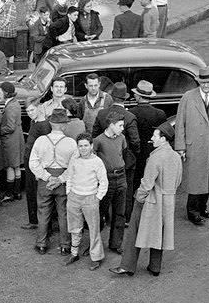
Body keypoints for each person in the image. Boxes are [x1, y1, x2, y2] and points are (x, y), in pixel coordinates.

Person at [110, 121, 183, 277]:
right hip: (168, 200)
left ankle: (127, 266)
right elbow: (178, 180)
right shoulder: (176, 156)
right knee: (160, 233)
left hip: (152, 199)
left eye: (155, 136)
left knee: (133, 232)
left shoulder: (155, 158)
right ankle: (155, 267)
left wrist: (139, 197)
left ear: (164, 139)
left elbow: (147, 183)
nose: (152, 138)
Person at [174, 67, 209, 225]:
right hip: (194, 146)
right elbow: (180, 124)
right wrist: (180, 147)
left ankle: (203, 207)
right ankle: (193, 211)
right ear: (199, 82)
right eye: (203, 82)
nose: (206, 85)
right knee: (195, 180)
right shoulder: (188, 97)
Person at [29, 108, 78, 255]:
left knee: (43, 211)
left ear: (51, 123)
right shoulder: (71, 143)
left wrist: (47, 177)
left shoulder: (41, 141)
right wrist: (60, 179)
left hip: (45, 180)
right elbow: (74, 165)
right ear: (64, 125)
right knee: (63, 212)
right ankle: (65, 246)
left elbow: (33, 163)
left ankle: (41, 244)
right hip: (63, 180)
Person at [63, 134, 108, 270]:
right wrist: (69, 192)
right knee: (74, 226)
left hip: (90, 198)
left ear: (91, 146)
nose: (83, 148)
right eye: (80, 146)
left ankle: (96, 257)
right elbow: (69, 176)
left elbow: (104, 181)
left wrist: (98, 197)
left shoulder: (97, 162)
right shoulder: (75, 160)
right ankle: (74, 253)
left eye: (85, 145)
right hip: (74, 197)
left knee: (94, 229)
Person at [93, 108, 129, 255]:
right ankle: (95, 244)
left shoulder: (122, 138)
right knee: (99, 212)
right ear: (111, 125)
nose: (122, 128)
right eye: (120, 125)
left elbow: (124, 155)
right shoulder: (98, 141)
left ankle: (116, 244)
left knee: (119, 213)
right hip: (105, 180)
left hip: (121, 178)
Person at [21, 99, 48, 231]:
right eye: (28, 111)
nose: (30, 113)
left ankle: (38, 222)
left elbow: (45, 149)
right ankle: (34, 220)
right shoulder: (34, 122)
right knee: (30, 192)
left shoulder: (43, 125)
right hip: (30, 162)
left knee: (36, 193)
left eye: (32, 110)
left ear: (39, 108)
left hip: (36, 165)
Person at [0, 82, 24, 202]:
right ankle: (17, 192)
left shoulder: (11, 107)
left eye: (0, 91)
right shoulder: (14, 103)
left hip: (10, 141)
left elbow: (10, 127)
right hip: (17, 139)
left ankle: (9, 193)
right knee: (16, 167)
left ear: (6, 93)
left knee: (10, 167)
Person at [0, 0, 18, 67]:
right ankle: (7, 68)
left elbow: (8, 19)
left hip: (7, 32)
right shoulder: (9, 3)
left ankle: (8, 68)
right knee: (7, 52)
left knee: (7, 52)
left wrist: (0, 26)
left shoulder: (10, 4)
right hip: (7, 32)